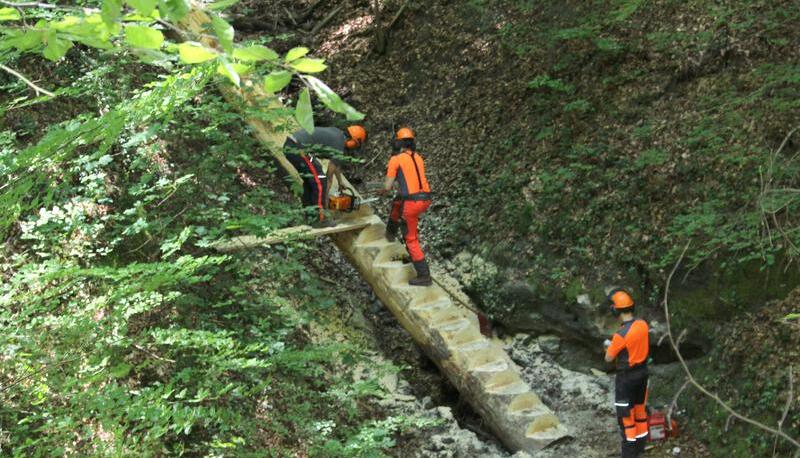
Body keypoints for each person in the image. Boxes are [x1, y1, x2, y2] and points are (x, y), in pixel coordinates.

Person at [378, 127, 432, 286]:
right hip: (426, 199)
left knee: (410, 238)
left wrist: (382, 190)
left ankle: (424, 275)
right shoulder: (419, 157)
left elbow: (387, 186)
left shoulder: (395, 159)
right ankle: (390, 233)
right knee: (397, 202)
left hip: (412, 203)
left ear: (398, 143)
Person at [283, 125, 367, 227]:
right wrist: (325, 200)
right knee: (320, 180)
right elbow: (329, 176)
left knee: (310, 181)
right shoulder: (339, 144)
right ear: (353, 141)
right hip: (299, 148)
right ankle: (319, 219)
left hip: (291, 146)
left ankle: (310, 215)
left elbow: (336, 165)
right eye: (356, 144)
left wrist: (341, 182)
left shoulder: (338, 135)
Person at [604, 288, 650, 458]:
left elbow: (609, 358)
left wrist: (608, 347)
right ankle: (640, 450)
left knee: (626, 419)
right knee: (640, 412)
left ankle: (629, 454)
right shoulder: (643, 325)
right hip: (643, 374)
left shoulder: (620, 335)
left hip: (626, 379)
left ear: (615, 310)